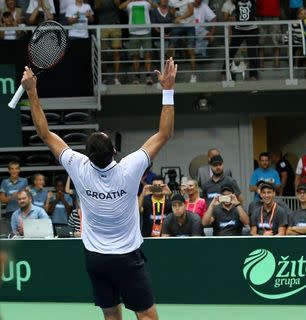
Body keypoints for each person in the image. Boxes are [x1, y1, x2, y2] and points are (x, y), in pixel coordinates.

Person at [22, 57, 177, 320]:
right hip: (127, 258)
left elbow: (45, 133)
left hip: (96, 258)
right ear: (114, 152)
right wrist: (168, 89)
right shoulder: (130, 168)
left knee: (111, 316)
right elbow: (164, 134)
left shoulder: (78, 167)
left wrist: (32, 92)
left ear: (89, 155)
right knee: (147, 316)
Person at [119, 0, 154, 85]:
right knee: (135, 55)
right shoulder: (130, 4)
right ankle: (136, 77)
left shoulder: (146, 3)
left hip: (146, 32)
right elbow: (120, 7)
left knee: (148, 54)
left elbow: (156, 6)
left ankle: (148, 77)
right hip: (133, 32)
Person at [95, 0, 122, 84]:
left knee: (116, 52)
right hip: (102, 26)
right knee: (103, 53)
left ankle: (116, 78)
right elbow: (96, 7)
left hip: (115, 25)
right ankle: (104, 78)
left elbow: (118, 5)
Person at [0, 161, 28, 231]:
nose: (14, 171)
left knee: (24, 232)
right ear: (9, 170)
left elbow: (27, 198)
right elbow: (2, 200)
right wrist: (14, 196)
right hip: (10, 212)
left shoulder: (24, 181)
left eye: (16, 168)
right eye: (12, 169)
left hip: (22, 211)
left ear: (19, 170)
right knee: (10, 233)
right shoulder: (4, 182)